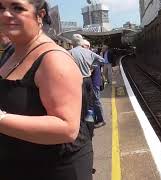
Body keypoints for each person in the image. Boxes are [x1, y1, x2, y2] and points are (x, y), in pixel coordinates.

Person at [0, 0, 93, 179]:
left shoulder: (54, 60)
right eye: (1, 8)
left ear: (40, 15)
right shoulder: (11, 52)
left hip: (53, 169)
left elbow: (66, 129)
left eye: (17, 8)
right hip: (17, 163)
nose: (5, 14)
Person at [69, 35, 105, 135]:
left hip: (77, 80)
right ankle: (91, 127)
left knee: (81, 105)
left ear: (72, 43)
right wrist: (91, 67)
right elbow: (102, 60)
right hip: (88, 80)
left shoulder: (70, 53)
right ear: (81, 42)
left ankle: (85, 128)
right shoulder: (88, 52)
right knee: (90, 104)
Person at [82, 40, 106, 128]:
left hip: (95, 82)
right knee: (92, 101)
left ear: (87, 47)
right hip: (92, 81)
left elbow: (92, 69)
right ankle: (96, 119)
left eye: (82, 47)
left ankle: (101, 120)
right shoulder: (89, 55)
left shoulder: (92, 56)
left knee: (96, 100)